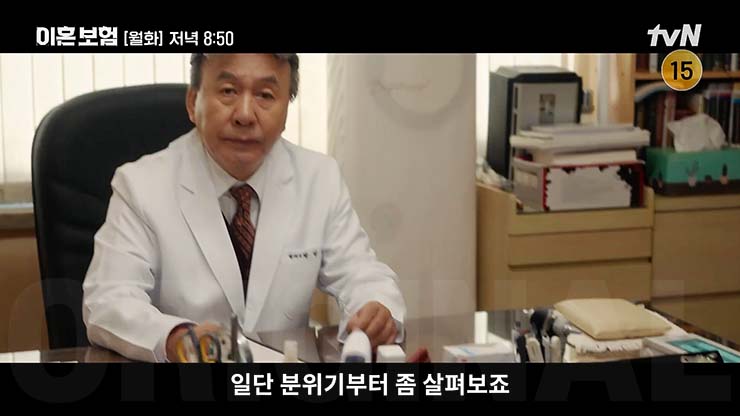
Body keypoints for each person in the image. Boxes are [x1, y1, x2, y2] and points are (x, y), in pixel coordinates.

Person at [82, 53, 406, 362]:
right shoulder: (141, 185)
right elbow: (109, 301)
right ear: (193, 103)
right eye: (228, 91)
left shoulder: (319, 178)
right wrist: (177, 338)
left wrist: (376, 308)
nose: (245, 115)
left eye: (265, 95)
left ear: (286, 109)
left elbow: (362, 273)